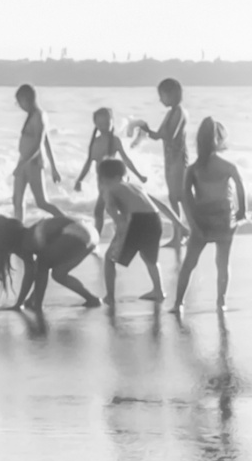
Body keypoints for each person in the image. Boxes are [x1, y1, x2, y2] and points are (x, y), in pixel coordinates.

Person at [172, 118, 246, 314]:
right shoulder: (227, 166)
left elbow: (186, 197)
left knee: (189, 263)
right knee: (222, 262)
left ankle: (178, 303)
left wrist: (192, 223)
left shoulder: (193, 169)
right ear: (219, 140)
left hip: (202, 218)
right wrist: (242, 211)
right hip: (224, 217)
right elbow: (240, 186)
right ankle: (221, 302)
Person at [95, 157, 182, 306]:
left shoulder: (110, 188)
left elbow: (109, 207)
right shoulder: (138, 187)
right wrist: (178, 224)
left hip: (136, 221)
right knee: (150, 258)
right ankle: (158, 290)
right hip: (155, 219)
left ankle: (109, 296)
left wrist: (119, 224)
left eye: (101, 179)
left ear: (106, 178)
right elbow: (161, 206)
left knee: (109, 259)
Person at [0, 207, 99, 313]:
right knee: (58, 274)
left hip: (75, 232)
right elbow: (32, 274)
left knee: (42, 264)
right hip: (91, 233)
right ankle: (92, 299)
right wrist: (24, 301)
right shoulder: (30, 234)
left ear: (10, 241)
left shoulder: (26, 242)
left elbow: (30, 274)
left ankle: (37, 305)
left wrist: (19, 304)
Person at [79, 105, 148, 234]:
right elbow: (88, 163)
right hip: (102, 183)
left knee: (107, 210)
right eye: (100, 124)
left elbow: (126, 160)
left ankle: (121, 233)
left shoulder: (115, 140)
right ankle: (106, 235)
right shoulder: (95, 142)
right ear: (95, 125)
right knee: (103, 211)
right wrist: (80, 180)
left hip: (114, 182)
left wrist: (139, 175)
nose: (104, 127)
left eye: (107, 123)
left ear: (112, 122)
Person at [129, 77, 191, 213]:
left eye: (161, 96)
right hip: (170, 159)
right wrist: (145, 129)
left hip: (178, 159)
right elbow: (158, 136)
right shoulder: (170, 113)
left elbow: (169, 136)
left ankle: (190, 224)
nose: (160, 100)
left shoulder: (179, 112)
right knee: (172, 197)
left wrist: (150, 132)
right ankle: (178, 225)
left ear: (171, 94)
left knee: (180, 196)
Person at [9, 83, 59, 221]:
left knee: (41, 202)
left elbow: (38, 144)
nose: (20, 106)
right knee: (16, 199)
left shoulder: (39, 116)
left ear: (27, 99)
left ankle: (65, 221)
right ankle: (18, 227)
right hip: (23, 160)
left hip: (33, 162)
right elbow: (46, 142)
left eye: (19, 102)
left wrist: (53, 168)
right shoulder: (31, 115)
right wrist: (54, 167)